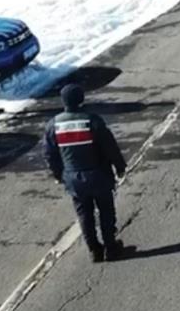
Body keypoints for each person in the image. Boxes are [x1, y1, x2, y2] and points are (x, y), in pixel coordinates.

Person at [44, 84, 128, 263]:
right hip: (99, 175)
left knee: (84, 214)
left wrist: (59, 175)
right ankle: (111, 248)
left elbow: (50, 155)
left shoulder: (54, 125)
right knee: (106, 211)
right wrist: (119, 166)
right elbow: (110, 148)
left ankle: (94, 250)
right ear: (81, 99)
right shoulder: (92, 121)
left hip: (73, 178)